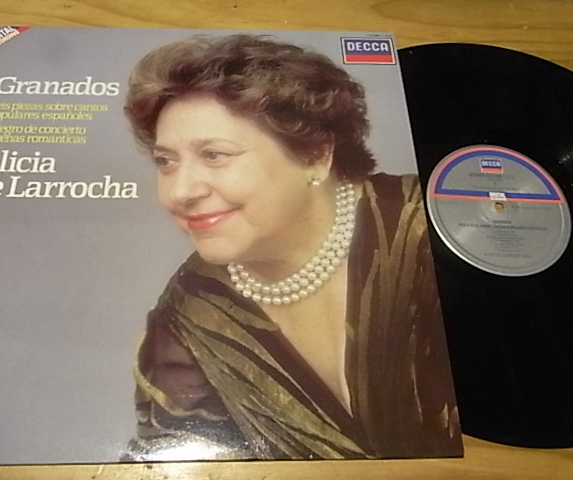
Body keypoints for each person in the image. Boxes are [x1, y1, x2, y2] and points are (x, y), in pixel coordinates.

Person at [123, 34, 462, 461]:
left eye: (214, 154)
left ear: (315, 155)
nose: (180, 192)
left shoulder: (424, 229)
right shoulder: (190, 315)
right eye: (166, 162)